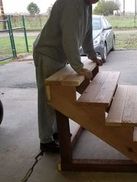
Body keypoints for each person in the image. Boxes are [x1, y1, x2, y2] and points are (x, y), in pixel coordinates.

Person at [33, 0, 102, 153]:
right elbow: (69, 36)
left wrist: (91, 54)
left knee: (59, 96)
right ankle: (45, 140)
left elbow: (87, 31)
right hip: (47, 52)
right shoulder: (72, 3)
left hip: (60, 55)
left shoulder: (87, 5)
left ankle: (57, 131)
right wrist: (78, 66)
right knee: (47, 98)